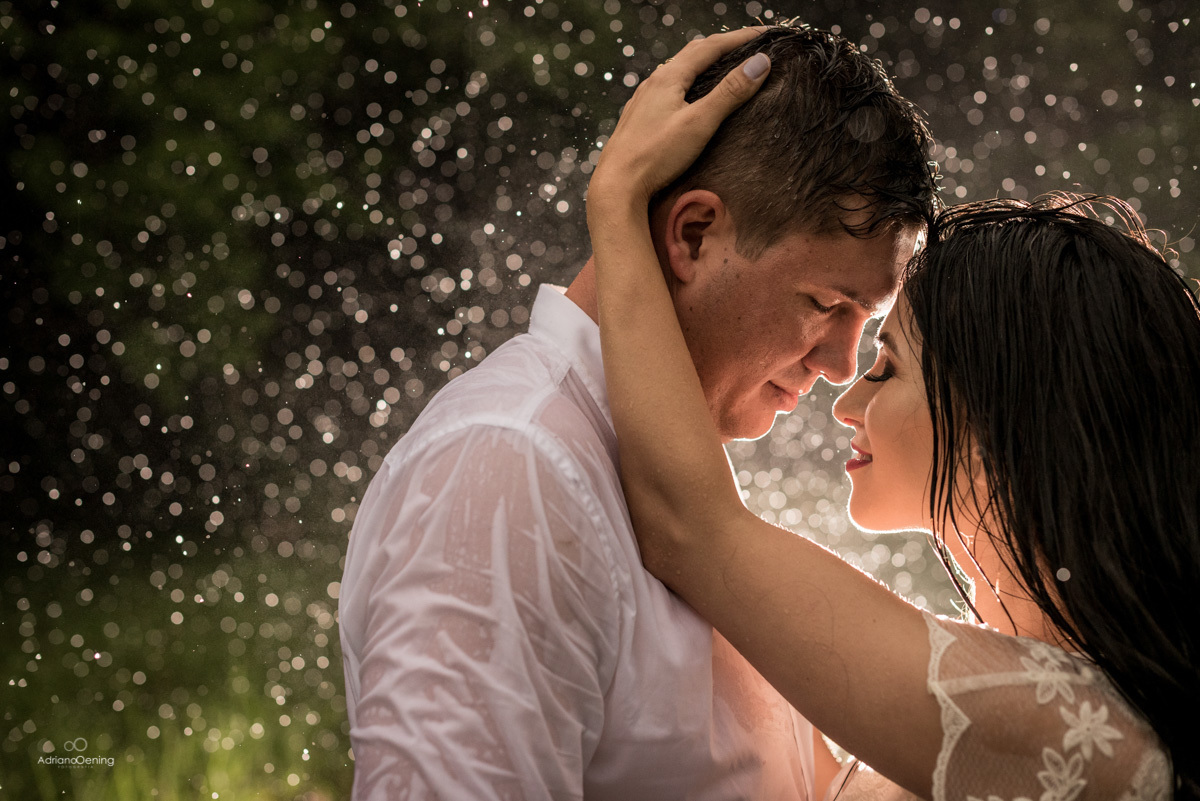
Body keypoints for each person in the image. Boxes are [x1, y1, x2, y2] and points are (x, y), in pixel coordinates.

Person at [587, 29, 1199, 801]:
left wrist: (616, 200)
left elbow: (687, 524)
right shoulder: (1059, 692)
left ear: (998, 419)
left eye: (886, 366)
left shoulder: (1075, 725)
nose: (845, 394)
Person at [338, 23, 939, 800]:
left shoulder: (662, 470)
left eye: (867, 322)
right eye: (826, 304)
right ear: (693, 233)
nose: (838, 368)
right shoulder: (508, 470)